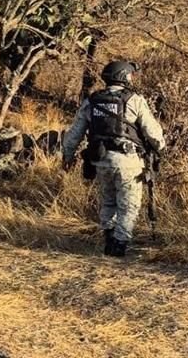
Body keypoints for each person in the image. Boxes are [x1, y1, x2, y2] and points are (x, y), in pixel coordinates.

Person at [62, 60, 166, 257]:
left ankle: (109, 238)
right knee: (129, 205)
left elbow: (75, 133)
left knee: (108, 201)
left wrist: (67, 155)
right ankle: (119, 245)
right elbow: (152, 132)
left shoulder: (92, 100)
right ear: (124, 76)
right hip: (128, 161)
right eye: (130, 75)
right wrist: (161, 148)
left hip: (100, 160)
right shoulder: (134, 100)